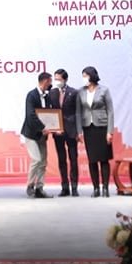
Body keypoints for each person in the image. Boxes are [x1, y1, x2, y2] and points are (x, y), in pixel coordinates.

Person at [75, 65, 115, 197]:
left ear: (92, 76)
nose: (84, 79)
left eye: (85, 76)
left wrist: (110, 131)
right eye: (83, 76)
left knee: (104, 159)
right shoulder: (80, 91)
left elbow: (110, 111)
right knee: (92, 160)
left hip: (102, 127)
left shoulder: (104, 90)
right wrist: (79, 131)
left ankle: (105, 188)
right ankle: (96, 188)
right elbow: (78, 112)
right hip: (88, 128)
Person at [20, 71, 55, 198]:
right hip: (31, 134)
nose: (51, 84)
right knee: (36, 159)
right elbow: (31, 116)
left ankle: (40, 188)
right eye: (50, 82)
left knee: (43, 162)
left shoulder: (47, 96)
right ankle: (30, 186)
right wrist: (43, 127)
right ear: (45, 81)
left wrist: (54, 127)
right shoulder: (32, 95)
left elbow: (51, 114)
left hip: (42, 135)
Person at [50, 68, 80, 197]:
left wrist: (78, 131)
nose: (57, 81)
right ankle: (64, 187)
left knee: (73, 159)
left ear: (65, 79)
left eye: (59, 79)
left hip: (71, 130)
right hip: (58, 131)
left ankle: (74, 187)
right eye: (55, 79)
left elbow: (78, 112)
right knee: (61, 159)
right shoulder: (52, 93)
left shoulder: (73, 92)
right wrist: (54, 128)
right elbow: (50, 112)